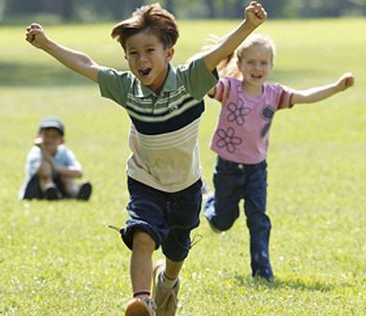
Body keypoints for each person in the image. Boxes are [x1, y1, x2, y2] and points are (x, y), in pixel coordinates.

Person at [25, 2, 266, 315]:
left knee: (177, 249)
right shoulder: (127, 89)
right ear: (126, 58)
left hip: (185, 185)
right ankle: (143, 299)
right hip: (144, 179)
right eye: (133, 53)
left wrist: (249, 26)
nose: (141, 59)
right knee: (142, 234)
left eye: (149, 50)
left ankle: (166, 282)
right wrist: (46, 44)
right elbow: (87, 64)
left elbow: (220, 51)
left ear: (169, 53)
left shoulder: (190, 81)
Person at [202, 34, 355, 282]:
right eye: (251, 62)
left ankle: (262, 271)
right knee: (222, 222)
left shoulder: (274, 94)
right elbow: (204, 83)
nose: (257, 68)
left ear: (271, 67)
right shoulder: (229, 88)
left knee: (258, 219)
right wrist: (214, 58)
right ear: (240, 65)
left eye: (264, 63)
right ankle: (209, 202)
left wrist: (337, 87)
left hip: (256, 170)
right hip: (228, 168)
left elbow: (306, 96)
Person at [19, 117, 92, 201]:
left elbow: (78, 173)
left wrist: (55, 167)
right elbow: (44, 173)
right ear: (38, 137)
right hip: (35, 191)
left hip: (59, 186)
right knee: (46, 168)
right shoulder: (35, 153)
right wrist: (43, 150)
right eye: (46, 135)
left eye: (54, 137)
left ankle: (75, 193)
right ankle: (50, 190)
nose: (49, 139)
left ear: (62, 141)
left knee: (66, 174)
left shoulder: (64, 152)